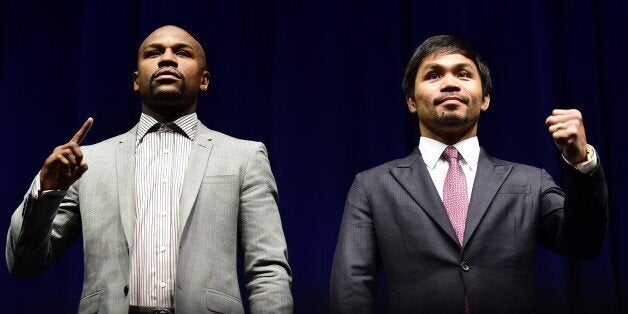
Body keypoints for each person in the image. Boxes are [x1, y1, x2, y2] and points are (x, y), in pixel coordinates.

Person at [6, 25, 293, 314]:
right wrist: (47, 190)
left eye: (182, 52)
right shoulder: (88, 164)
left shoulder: (244, 157)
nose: (167, 59)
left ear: (204, 80)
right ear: (135, 80)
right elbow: (23, 264)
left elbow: (268, 270)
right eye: (154, 53)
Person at [330, 35, 608, 313]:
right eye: (434, 75)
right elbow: (351, 290)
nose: (450, 83)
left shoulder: (530, 182)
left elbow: (585, 242)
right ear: (411, 101)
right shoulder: (372, 187)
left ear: (485, 98)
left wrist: (581, 162)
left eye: (463, 74)